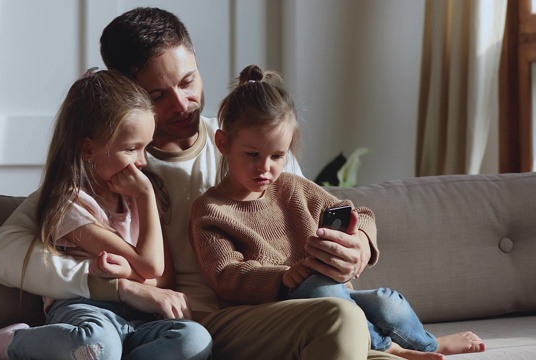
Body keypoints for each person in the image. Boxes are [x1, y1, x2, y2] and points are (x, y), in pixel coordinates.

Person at [0, 7, 404, 359]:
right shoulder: (109, 170)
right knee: (341, 316)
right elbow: (4, 254)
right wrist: (110, 285)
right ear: (126, 94)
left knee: (339, 305)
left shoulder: (246, 144)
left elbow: (322, 208)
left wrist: (360, 245)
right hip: (188, 330)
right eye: (157, 95)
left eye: (188, 82)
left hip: (263, 311)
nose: (182, 104)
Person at [189, 64, 486, 360]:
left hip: (333, 296)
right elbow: (225, 274)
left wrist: (361, 243)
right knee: (318, 286)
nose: (265, 167)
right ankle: (385, 347)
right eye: (252, 154)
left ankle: (429, 345)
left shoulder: (293, 188)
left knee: (387, 302)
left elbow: (362, 214)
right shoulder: (211, 210)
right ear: (223, 143)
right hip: (275, 314)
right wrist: (284, 277)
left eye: (277, 156)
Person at [0, 69, 211, 360]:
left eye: (145, 148)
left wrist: (133, 271)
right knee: (98, 344)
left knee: (194, 339)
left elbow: (165, 277)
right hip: (85, 309)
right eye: (131, 149)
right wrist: (145, 197)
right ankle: (12, 342)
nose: (142, 162)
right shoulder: (69, 205)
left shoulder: (133, 197)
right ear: (88, 150)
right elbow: (150, 266)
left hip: (137, 317)